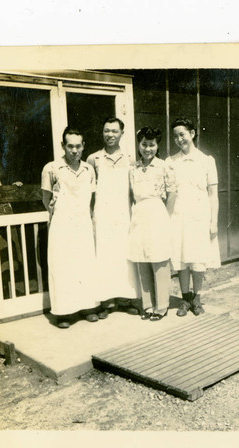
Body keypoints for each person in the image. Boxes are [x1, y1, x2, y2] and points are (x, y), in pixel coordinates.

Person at [41, 127, 99, 328]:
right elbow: (45, 198)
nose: (74, 150)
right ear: (63, 146)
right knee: (63, 266)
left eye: (78, 146)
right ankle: (64, 313)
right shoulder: (52, 168)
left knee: (84, 264)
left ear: (83, 147)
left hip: (82, 222)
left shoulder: (89, 169)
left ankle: (88, 307)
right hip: (62, 224)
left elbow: (91, 198)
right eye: (70, 146)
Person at [167, 117, 220, 316]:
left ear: (192, 133)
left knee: (198, 259)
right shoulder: (170, 162)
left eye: (182, 134)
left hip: (200, 216)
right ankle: (185, 298)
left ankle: (197, 297)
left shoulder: (206, 161)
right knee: (181, 259)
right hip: (178, 216)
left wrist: (213, 221)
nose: (179, 139)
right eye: (175, 136)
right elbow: (169, 193)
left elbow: (213, 195)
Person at [86, 117, 139, 319]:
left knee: (124, 255)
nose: (110, 135)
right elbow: (89, 191)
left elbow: (134, 190)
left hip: (124, 213)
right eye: (107, 131)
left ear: (122, 134)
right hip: (103, 215)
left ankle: (125, 299)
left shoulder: (130, 158)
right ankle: (106, 301)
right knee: (105, 257)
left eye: (114, 131)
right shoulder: (94, 159)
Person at [128, 127, 177, 321]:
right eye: (144, 144)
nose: (148, 148)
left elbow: (172, 193)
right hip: (139, 213)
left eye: (152, 144)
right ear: (139, 145)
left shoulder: (164, 166)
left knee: (159, 259)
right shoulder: (133, 168)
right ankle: (147, 304)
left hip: (157, 213)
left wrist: (166, 216)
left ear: (158, 146)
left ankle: (162, 305)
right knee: (142, 258)